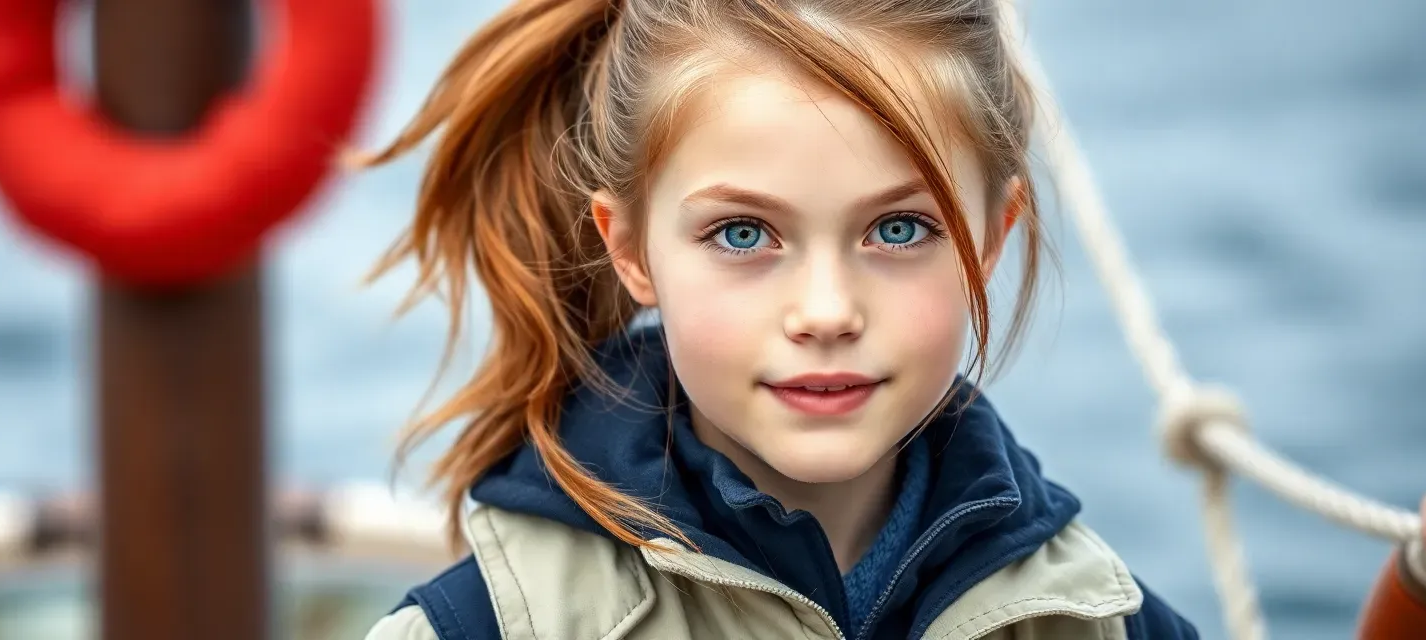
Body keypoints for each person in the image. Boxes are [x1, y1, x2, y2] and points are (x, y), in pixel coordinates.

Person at [358, 0, 1205, 637]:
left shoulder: (1100, 618)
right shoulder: (492, 626)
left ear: (989, 239)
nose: (828, 312)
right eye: (743, 234)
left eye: (899, 229)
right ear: (632, 251)